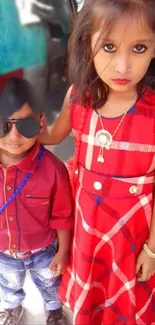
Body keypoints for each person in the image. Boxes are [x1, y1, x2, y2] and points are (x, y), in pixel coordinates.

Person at [40, 0, 155, 324]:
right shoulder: (79, 96)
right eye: (108, 46)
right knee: (92, 298)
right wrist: (22, 126)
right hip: (87, 225)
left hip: (134, 234)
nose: (122, 66)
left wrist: (152, 250)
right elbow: (53, 134)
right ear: (87, 45)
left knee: (128, 303)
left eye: (139, 47)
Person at [0, 77, 73, 325]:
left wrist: (63, 253)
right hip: (3, 253)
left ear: (41, 123)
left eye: (25, 125)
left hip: (44, 251)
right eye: (4, 125)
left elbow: (63, 216)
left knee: (51, 286)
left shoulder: (54, 170)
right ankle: (12, 307)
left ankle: (54, 310)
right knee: (8, 286)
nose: (14, 136)